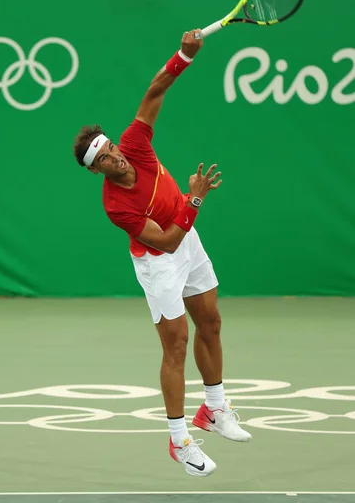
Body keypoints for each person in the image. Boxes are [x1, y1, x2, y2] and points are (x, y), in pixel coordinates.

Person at [73, 29, 251, 478]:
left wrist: (183, 56)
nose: (116, 158)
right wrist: (194, 200)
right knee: (176, 345)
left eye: (111, 148)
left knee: (210, 321)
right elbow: (166, 241)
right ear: (96, 172)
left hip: (188, 241)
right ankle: (179, 442)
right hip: (160, 263)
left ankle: (213, 410)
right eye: (104, 160)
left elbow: (155, 89)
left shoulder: (135, 143)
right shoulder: (116, 205)